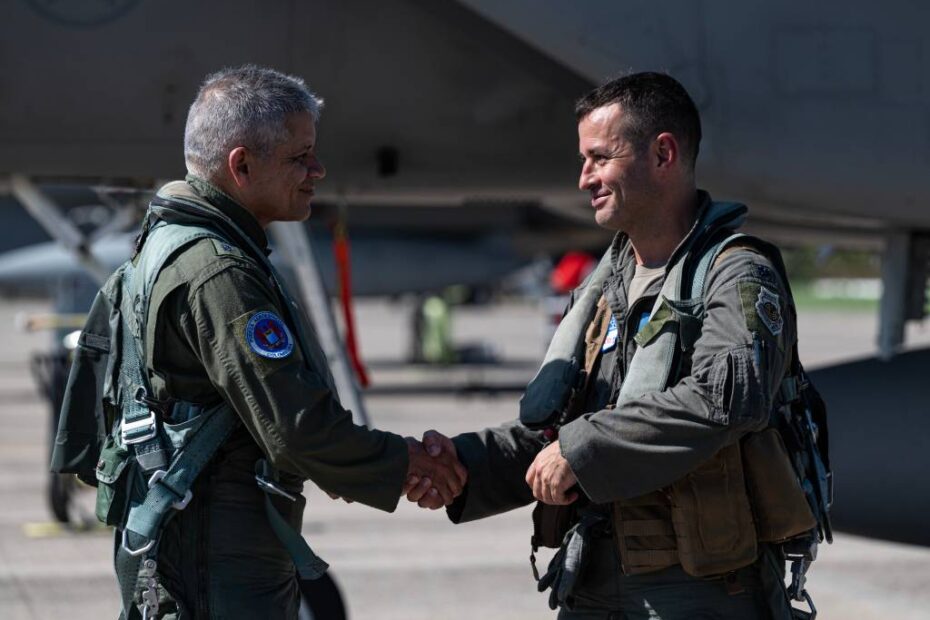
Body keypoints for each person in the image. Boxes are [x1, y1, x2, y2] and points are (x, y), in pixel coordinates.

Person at [52, 65, 465, 619]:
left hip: (178, 547)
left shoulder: (158, 250)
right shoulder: (218, 272)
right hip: (216, 564)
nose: (318, 170)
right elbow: (295, 429)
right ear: (241, 165)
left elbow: (87, 428)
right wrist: (406, 463)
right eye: (299, 157)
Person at [410, 72, 821, 619]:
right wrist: (461, 465)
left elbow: (724, 401)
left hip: (697, 590)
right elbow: (559, 428)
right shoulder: (606, 287)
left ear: (663, 154)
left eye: (599, 158)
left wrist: (582, 450)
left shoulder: (737, 272)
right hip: (595, 579)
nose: (584, 178)